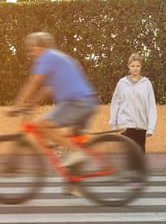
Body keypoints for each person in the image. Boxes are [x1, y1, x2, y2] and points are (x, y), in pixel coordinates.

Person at [7, 31, 98, 169]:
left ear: (38, 48)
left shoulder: (46, 58)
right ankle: (76, 183)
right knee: (70, 142)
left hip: (76, 103)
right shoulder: (57, 58)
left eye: (31, 49)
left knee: (41, 126)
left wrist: (16, 106)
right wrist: (32, 104)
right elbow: (49, 89)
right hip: (87, 102)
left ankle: (76, 154)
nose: (29, 54)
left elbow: (33, 83)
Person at [109, 53, 157, 153]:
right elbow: (115, 103)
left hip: (141, 126)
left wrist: (150, 127)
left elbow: (151, 106)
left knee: (140, 155)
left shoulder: (146, 83)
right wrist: (113, 124)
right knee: (129, 154)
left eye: (138, 66)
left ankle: (138, 169)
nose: (135, 68)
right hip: (125, 125)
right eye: (133, 66)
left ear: (141, 67)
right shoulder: (122, 83)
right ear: (128, 67)